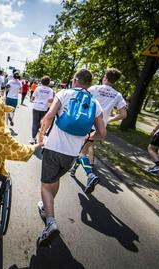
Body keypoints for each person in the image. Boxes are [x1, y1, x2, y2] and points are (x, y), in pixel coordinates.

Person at [36, 69, 106, 247]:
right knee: (55, 179)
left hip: (53, 148)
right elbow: (102, 133)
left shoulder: (65, 93)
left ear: (75, 80)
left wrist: (41, 135)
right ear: (89, 84)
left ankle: (50, 222)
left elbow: (49, 116)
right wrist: (87, 138)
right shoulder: (95, 103)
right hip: (72, 154)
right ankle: (46, 207)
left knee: (45, 185)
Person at [70, 68, 127, 194]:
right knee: (83, 151)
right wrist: (109, 119)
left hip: (85, 124)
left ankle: (90, 176)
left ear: (105, 77)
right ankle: (74, 170)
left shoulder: (94, 88)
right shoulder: (117, 95)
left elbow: (81, 100)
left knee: (82, 152)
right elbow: (124, 114)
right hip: (100, 128)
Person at [30, 76, 54, 144]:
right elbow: (50, 100)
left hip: (36, 107)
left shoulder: (38, 88)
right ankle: (39, 138)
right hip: (44, 108)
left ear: (41, 81)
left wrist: (35, 99)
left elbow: (32, 98)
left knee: (35, 123)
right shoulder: (50, 90)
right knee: (42, 123)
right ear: (48, 83)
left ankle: (32, 138)